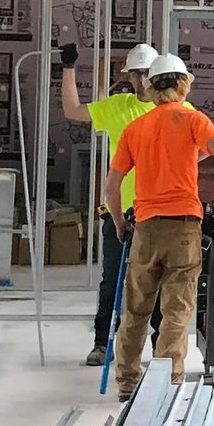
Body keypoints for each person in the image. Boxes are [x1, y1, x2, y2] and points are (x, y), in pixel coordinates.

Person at [108, 54, 214, 400]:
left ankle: (127, 384)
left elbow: (111, 186)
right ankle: (167, 386)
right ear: (182, 84)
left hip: (145, 228)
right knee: (175, 312)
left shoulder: (136, 129)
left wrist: (119, 222)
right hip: (183, 228)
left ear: (151, 86)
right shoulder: (193, 119)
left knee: (135, 311)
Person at [61, 38, 157, 365]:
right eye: (135, 74)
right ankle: (103, 344)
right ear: (129, 76)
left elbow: (202, 148)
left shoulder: (175, 109)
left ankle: (161, 352)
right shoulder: (118, 107)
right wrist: (69, 68)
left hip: (159, 213)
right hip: (121, 212)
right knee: (112, 282)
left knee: (160, 284)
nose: (141, 81)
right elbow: (72, 111)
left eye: (146, 74)